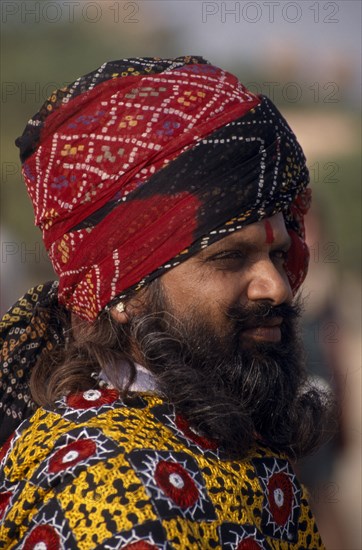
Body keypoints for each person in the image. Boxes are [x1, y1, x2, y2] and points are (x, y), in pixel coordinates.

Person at [0, 56, 334, 549]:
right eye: (230, 257)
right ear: (126, 292)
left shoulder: (229, 436)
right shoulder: (110, 485)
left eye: (278, 254)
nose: (276, 286)